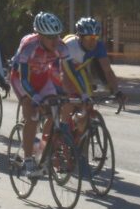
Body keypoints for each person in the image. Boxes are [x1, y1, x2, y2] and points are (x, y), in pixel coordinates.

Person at [9, 12, 87, 176]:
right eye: (49, 37)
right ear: (39, 36)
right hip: (22, 79)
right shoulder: (28, 46)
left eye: (56, 35)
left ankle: (44, 148)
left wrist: (83, 93)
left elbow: (71, 71)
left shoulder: (60, 46)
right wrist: (35, 98)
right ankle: (28, 159)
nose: (54, 40)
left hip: (44, 78)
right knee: (31, 115)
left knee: (55, 109)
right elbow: (23, 78)